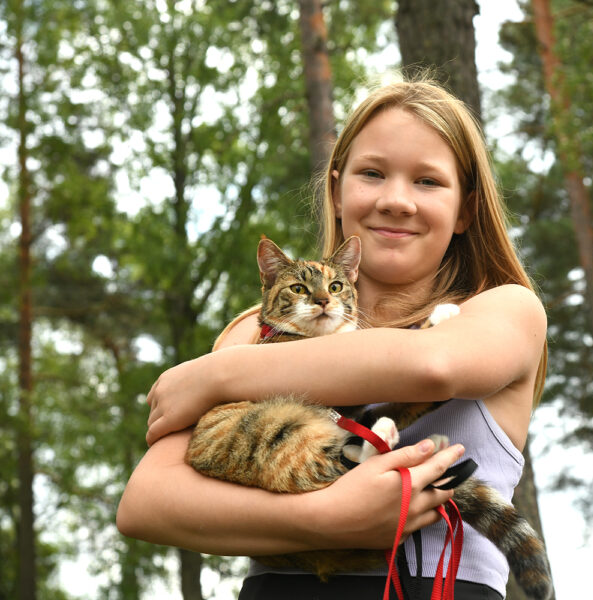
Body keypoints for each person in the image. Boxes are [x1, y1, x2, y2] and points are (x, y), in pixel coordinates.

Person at [116, 76, 548, 599]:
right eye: (372, 173)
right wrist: (325, 517)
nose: (396, 200)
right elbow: (145, 502)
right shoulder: (257, 324)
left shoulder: (503, 308)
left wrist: (218, 373)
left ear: (466, 210)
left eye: (427, 181)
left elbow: (433, 365)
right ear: (337, 192)